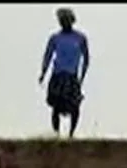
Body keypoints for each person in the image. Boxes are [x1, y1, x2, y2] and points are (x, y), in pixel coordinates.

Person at [38, 8, 90, 138]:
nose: (64, 23)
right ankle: (56, 133)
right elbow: (48, 56)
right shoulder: (55, 38)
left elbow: (86, 59)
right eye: (62, 20)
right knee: (56, 106)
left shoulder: (80, 38)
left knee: (75, 106)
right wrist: (43, 73)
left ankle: (71, 134)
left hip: (72, 76)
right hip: (58, 75)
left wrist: (81, 77)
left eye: (66, 20)